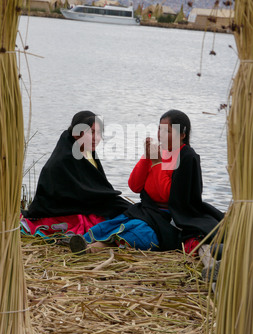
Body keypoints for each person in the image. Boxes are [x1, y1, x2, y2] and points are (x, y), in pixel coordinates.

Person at [69, 109, 224, 255]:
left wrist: (156, 163)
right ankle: (83, 242)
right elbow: (135, 186)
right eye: (159, 129)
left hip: (172, 217)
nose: (160, 135)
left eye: (167, 131)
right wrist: (146, 158)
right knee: (110, 225)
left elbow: (169, 197)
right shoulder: (159, 152)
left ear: (182, 135)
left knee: (136, 231)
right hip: (148, 211)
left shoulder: (186, 157)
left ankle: (92, 249)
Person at [21, 110, 130, 240]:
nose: (96, 138)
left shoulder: (88, 152)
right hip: (63, 208)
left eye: (99, 133)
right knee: (119, 215)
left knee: (129, 211)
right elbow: (78, 193)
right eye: (91, 132)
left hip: (85, 202)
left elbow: (96, 186)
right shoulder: (65, 159)